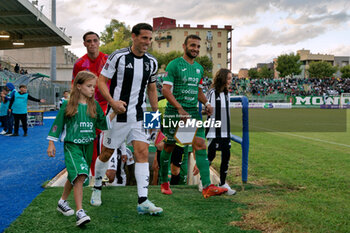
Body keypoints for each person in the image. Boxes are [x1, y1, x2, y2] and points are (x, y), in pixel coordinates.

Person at [90, 23, 163, 215]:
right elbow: (102, 81)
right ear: (134, 36)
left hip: (139, 115)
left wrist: (155, 116)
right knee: (106, 153)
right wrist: (112, 102)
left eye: (150, 38)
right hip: (117, 115)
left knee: (141, 153)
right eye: (144, 38)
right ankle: (97, 188)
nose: (147, 42)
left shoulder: (152, 62)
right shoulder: (118, 56)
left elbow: (152, 89)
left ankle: (143, 200)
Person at [159, 34, 228, 198]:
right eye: (192, 45)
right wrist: (179, 109)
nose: (195, 49)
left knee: (200, 145)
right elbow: (165, 90)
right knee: (168, 147)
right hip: (174, 113)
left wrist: (206, 103)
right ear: (184, 46)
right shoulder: (174, 65)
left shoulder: (199, 68)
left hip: (192, 114)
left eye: (198, 46)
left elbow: (198, 91)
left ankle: (207, 186)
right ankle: (163, 181)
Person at [47, 71, 116, 227]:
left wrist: (114, 113)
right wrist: (51, 143)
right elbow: (57, 124)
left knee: (76, 175)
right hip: (72, 145)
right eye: (89, 86)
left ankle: (62, 201)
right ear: (78, 86)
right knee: (80, 175)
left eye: (94, 86)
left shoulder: (95, 105)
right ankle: (80, 212)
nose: (93, 89)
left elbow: (101, 124)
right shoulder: (67, 104)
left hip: (88, 145)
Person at [72, 31, 109, 177]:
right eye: (89, 41)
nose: (92, 43)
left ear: (99, 42)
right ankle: (93, 173)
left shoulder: (108, 60)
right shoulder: (79, 63)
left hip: (107, 103)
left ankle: (108, 171)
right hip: (87, 104)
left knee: (107, 134)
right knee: (90, 137)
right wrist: (74, 104)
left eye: (95, 40)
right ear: (84, 44)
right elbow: (75, 85)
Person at [206, 68, 236, 195]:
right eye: (228, 78)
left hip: (225, 132)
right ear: (222, 78)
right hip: (214, 131)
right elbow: (204, 109)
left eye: (231, 78)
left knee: (226, 157)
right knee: (210, 156)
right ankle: (205, 183)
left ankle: (223, 183)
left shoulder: (227, 93)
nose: (230, 81)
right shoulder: (212, 93)